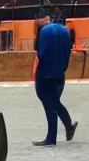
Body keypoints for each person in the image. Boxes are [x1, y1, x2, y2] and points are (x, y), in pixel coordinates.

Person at [32, 17, 78, 147]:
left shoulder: (45, 31)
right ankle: (68, 126)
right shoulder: (66, 31)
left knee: (49, 103)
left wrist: (35, 72)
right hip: (59, 73)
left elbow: (41, 54)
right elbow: (68, 51)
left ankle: (52, 137)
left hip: (46, 73)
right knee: (54, 102)